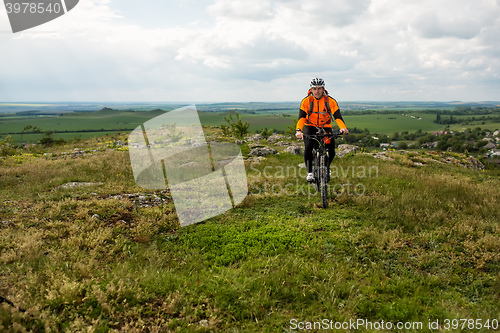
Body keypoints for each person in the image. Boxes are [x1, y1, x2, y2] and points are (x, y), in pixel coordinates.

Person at [295, 77, 349, 182]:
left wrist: (343, 128)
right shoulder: (306, 101)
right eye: (314, 89)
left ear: (323, 89)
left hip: (326, 126)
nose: (317, 91)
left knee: (331, 149)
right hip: (310, 126)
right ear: (311, 90)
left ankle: (327, 167)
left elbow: (337, 116)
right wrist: (298, 130)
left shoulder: (330, 101)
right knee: (308, 147)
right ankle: (310, 172)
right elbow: (301, 117)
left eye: (319, 88)